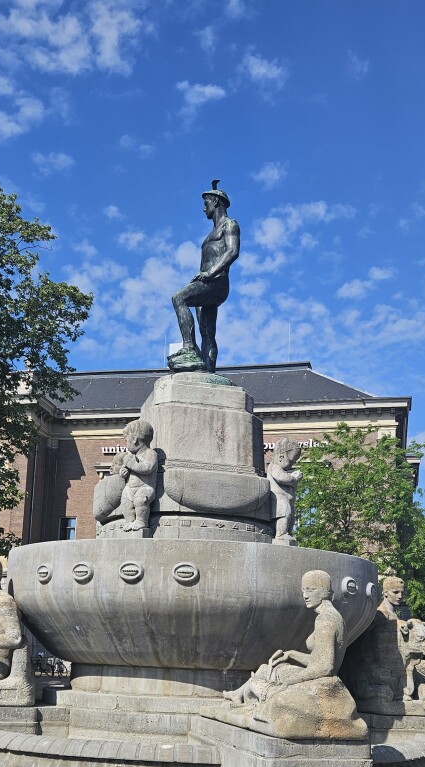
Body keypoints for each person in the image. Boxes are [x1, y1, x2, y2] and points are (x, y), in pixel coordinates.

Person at [225, 570, 345, 704]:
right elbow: (318, 660)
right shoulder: (333, 615)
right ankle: (238, 694)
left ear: (324, 592)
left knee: (265, 673)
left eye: (311, 590)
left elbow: (325, 667)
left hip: (318, 683)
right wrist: (291, 654)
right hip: (318, 677)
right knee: (265, 669)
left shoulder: (325, 619)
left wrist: (289, 681)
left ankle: (241, 696)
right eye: (303, 590)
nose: (305, 596)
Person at [169, 180, 240, 374]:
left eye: (206, 203)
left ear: (216, 202)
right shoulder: (212, 232)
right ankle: (207, 371)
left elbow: (232, 251)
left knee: (179, 298)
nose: (204, 208)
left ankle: (189, 348)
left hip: (216, 281)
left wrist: (210, 273)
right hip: (207, 282)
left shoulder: (230, 224)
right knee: (207, 332)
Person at [119, 419, 158, 532]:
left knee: (140, 500)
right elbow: (125, 471)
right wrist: (123, 473)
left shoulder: (150, 453)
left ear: (135, 439)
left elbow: (147, 468)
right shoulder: (130, 456)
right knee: (125, 502)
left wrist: (131, 464)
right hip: (129, 488)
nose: (126, 444)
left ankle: (141, 521)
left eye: (126, 440)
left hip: (145, 488)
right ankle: (129, 521)